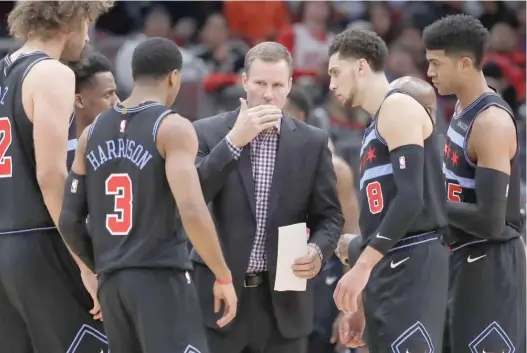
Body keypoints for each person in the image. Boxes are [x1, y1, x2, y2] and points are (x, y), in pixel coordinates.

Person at [58, 37, 237, 353]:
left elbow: (69, 220)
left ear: (133, 75)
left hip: (113, 285)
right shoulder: (172, 128)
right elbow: (193, 211)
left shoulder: (92, 133)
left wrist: (99, 267)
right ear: (174, 77)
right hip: (159, 280)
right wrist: (223, 276)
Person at [0, 2, 113, 353]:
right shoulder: (52, 73)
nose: (87, 35)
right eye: (88, 23)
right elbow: (52, 176)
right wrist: (85, 262)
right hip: (40, 247)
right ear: (73, 19)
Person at [192, 41, 343, 353]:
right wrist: (234, 141)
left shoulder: (312, 142)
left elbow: (329, 216)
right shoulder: (206, 132)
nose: (268, 93)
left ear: (289, 86)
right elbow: (192, 197)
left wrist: (316, 251)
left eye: (277, 84)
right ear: (244, 81)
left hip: (283, 304)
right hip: (221, 297)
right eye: (260, 83)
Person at [329, 29, 449, 353]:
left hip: (414, 259)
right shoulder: (373, 127)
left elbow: (411, 199)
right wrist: (361, 307)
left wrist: (361, 268)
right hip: (389, 264)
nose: (331, 85)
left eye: (336, 72)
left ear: (361, 67)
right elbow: (379, 220)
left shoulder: (398, 107)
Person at [423, 14, 526, 353]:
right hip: (463, 257)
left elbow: (491, 221)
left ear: (464, 63)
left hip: (492, 265)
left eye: (436, 63)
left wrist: (429, 200)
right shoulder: (460, 104)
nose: (430, 72)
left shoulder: (491, 123)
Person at [284, 86, 360, 353]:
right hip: (275, 273)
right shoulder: (254, 161)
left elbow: (351, 236)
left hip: (321, 274)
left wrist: (349, 308)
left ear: (300, 116)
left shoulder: (335, 169)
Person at [66, 49, 119, 166]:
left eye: (115, 93)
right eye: (108, 94)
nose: (117, 102)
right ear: (79, 101)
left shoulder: (124, 147)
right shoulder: (58, 156)